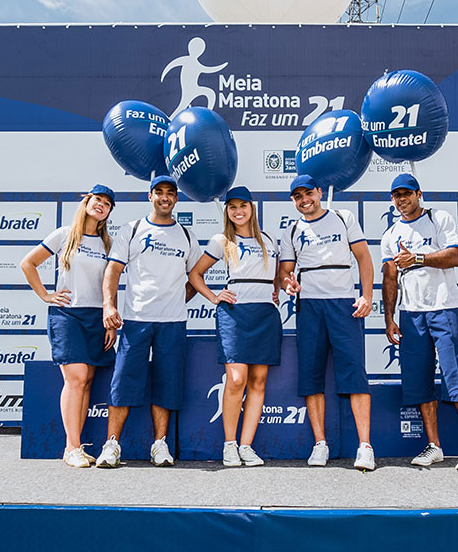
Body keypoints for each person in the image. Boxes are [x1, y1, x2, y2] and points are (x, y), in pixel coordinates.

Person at [380, 173, 458, 471]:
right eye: (397, 195)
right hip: (411, 314)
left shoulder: (440, 218)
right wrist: (388, 318)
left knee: (457, 378)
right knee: (419, 382)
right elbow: (389, 278)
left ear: (418, 194)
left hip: (444, 308)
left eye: (407, 194)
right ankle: (434, 446)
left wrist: (419, 259)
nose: (402, 199)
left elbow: (455, 256)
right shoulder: (390, 234)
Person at [277, 175, 376, 471]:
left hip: (343, 305)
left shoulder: (343, 218)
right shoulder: (292, 229)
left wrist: (367, 296)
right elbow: (285, 272)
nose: (304, 199)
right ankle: (320, 443)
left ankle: (365, 446)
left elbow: (364, 258)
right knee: (311, 377)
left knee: (355, 374)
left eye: (308, 193)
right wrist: (288, 284)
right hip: (308, 307)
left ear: (319, 192)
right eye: (297, 196)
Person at [97, 176, 198, 468]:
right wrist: (108, 305)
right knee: (123, 381)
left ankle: (160, 445)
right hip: (136, 319)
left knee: (167, 383)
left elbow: (194, 277)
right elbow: (112, 272)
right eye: (159, 193)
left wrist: (178, 300)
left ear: (176, 199)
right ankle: (112, 446)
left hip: (173, 322)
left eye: (170, 193)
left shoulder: (187, 235)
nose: (164, 197)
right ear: (150, 196)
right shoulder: (132, 230)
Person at [19, 184, 117, 468]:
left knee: (86, 380)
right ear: (87, 202)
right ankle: (71, 447)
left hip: (97, 317)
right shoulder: (64, 235)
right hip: (68, 316)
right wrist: (45, 295)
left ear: (109, 212)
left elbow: (110, 285)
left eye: (107, 204)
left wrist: (110, 320)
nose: (101, 205)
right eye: (97, 200)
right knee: (75, 379)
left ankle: (75, 446)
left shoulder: (108, 244)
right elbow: (28, 263)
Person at [189, 186, 281, 467]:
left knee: (258, 382)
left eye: (243, 205)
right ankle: (229, 444)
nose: (238, 211)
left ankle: (246, 446)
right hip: (235, 314)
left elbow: (276, 275)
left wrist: (276, 290)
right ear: (227, 211)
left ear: (252, 208)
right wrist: (215, 296)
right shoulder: (222, 239)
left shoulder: (268, 239)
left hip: (265, 314)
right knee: (237, 379)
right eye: (232, 207)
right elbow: (194, 273)